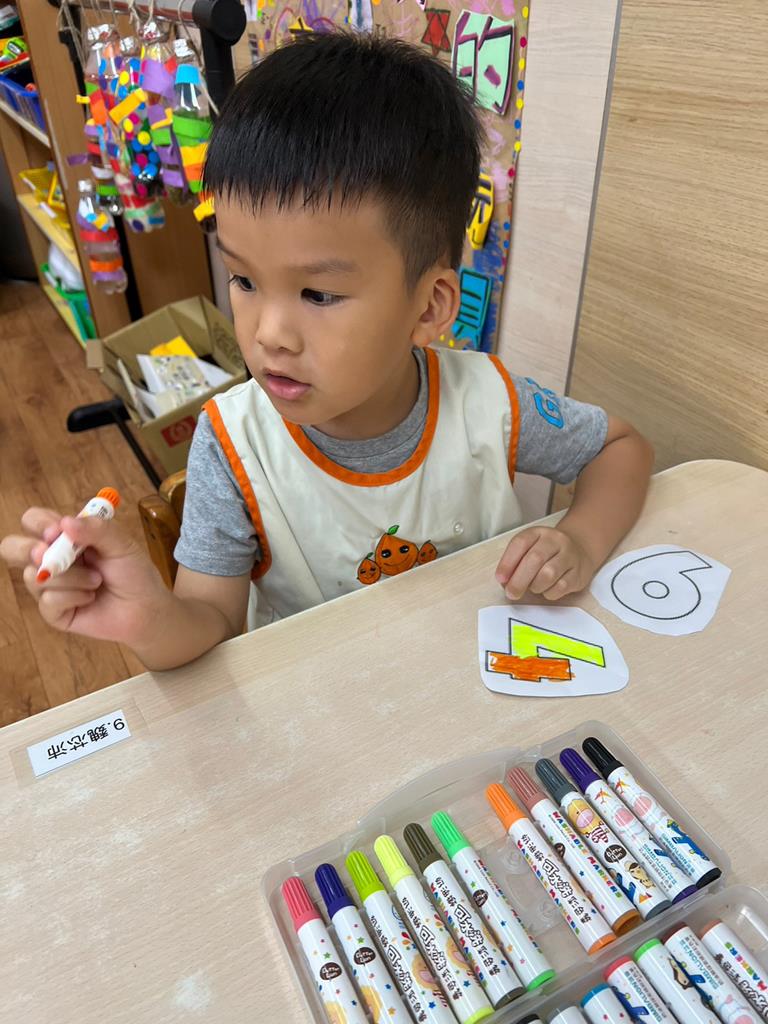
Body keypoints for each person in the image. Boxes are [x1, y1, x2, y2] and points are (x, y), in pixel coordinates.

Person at [0, 33, 653, 671]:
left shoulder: (490, 402)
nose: (268, 334)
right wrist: (146, 618)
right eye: (244, 280)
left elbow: (621, 449)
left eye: (317, 293)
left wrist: (579, 538)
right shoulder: (234, 445)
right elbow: (209, 625)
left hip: (473, 682)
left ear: (429, 308)